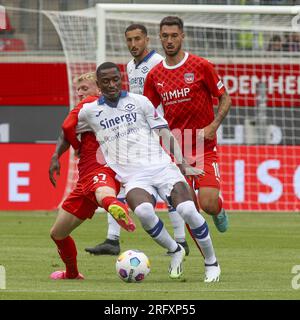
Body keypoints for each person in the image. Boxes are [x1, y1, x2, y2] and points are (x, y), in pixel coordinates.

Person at [68, 62, 221, 282]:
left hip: (162, 168)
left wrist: (181, 163)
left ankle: (211, 262)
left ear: (120, 80)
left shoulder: (139, 101)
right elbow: (67, 128)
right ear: (99, 86)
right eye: (106, 82)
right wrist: (67, 150)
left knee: (188, 209)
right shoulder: (89, 111)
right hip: (133, 177)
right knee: (144, 213)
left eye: (115, 80)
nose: (112, 85)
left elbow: (164, 132)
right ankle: (175, 249)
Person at [85, 24, 190, 256]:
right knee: (123, 181)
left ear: (147, 40)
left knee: (170, 185)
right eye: (129, 40)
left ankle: (181, 239)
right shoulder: (131, 67)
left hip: (154, 131)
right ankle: (113, 239)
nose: (133, 44)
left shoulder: (158, 63)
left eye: (138, 39)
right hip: (134, 131)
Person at [143, 16, 231, 233]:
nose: (170, 40)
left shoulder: (200, 66)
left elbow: (225, 98)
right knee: (188, 208)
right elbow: (146, 111)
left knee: (208, 203)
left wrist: (213, 125)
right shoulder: (155, 76)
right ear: (160, 38)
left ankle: (218, 210)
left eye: (174, 36)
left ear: (182, 36)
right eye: (165, 36)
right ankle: (208, 260)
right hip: (175, 150)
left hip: (203, 147)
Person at [48, 72, 136, 280]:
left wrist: (65, 152)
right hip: (88, 179)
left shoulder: (89, 104)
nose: (80, 94)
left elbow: (66, 127)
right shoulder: (111, 109)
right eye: (78, 90)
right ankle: (72, 274)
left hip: (98, 169)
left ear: (98, 88)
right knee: (58, 233)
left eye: (84, 88)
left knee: (102, 191)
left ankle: (116, 207)